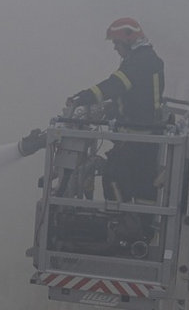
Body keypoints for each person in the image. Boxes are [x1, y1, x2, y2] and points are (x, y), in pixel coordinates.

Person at [67, 16, 166, 203]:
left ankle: (122, 222)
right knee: (137, 184)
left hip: (138, 138)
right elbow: (136, 96)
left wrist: (84, 97)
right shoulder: (146, 58)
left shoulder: (140, 62)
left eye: (116, 43)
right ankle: (134, 225)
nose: (114, 48)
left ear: (129, 41)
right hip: (143, 136)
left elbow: (115, 85)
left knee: (114, 177)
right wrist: (111, 109)